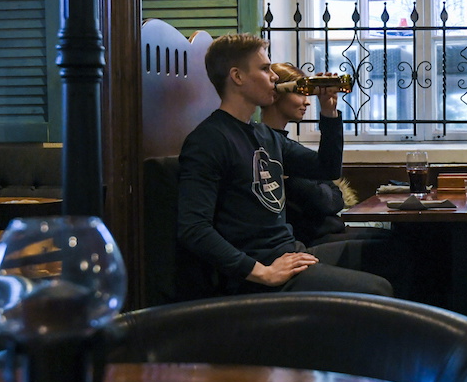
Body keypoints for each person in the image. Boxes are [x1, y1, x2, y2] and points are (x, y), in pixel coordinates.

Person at [177, 33, 392, 297]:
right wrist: (261, 272)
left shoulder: (265, 135)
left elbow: (327, 169)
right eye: (265, 68)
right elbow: (193, 229)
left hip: (291, 253)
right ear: (238, 76)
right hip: (258, 273)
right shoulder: (208, 140)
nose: (275, 76)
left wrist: (329, 113)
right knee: (378, 288)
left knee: (395, 252)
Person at [260, 62, 413, 297]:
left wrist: (330, 112)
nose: (307, 101)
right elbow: (325, 200)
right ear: (276, 93)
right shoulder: (266, 148)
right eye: (300, 93)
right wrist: (323, 189)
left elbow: (333, 188)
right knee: (399, 251)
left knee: (405, 241)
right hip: (307, 243)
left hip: (327, 232)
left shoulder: (284, 145)